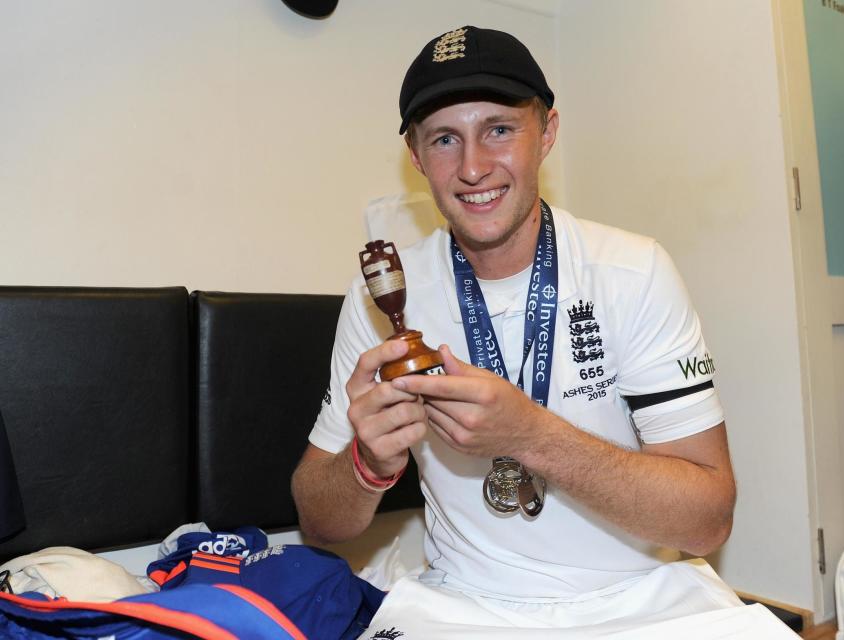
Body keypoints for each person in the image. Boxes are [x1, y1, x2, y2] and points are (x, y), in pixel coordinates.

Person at [293, 26, 743, 636]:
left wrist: (533, 436)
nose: (474, 167)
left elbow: (708, 519)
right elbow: (319, 522)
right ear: (417, 156)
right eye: (445, 139)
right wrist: (368, 462)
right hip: (463, 603)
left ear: (547, 133)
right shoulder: (383, 296)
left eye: (500, 130)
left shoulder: (632, 272)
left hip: (639, 601)